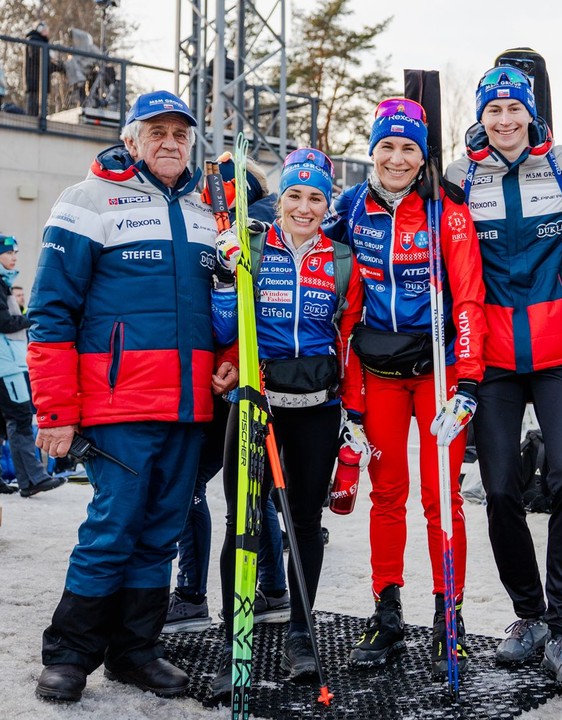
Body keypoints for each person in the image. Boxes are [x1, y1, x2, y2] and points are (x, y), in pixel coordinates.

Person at [28, 90, 234, 703]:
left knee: (162, 532)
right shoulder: (87, 200)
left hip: (189, 405)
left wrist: (225, 364)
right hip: (118, 405)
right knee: (112, 528)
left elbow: (226, 309)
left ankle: (135, 651)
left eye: (180, 133)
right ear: (132, 137)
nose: (170, 143)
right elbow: (51, 313)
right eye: (157, 132)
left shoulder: (209, 211)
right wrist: (56, 411)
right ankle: (69, 655)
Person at [445, 66, 562, 687]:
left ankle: (561, 630)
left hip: (561, 353)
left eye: (514, 108)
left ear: (531, 112)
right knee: (501, 487)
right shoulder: (459, 176)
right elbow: (386, 205)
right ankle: (528, 616)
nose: (504, 120)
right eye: (494, 110)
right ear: (481, 117)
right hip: (495, 360)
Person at [324, 97, 486, 677]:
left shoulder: (447, 209)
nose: (396, 158)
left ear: (423, 156)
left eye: (408, 148)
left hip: (438, 372)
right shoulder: (350, 207)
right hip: (379, 374)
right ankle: (386, 613)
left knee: (441, 498)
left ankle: (451, 615)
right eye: (386, 146)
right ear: (372, 151)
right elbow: (318, 260)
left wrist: (468, 379)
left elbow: (468, 295)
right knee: (386, 493)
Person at [208, 146, 365, 699]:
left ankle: (301, 633)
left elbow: (348, 337)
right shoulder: (251, 245)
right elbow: (224, 322)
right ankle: (236, 636)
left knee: (303, 522)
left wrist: (355, 414)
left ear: (327, 203)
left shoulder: (342, 260)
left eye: (316, 197)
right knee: (242, 521)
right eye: (295, 195)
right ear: (280, 201)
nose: (304, 207)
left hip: (316, 410)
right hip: (256, 404)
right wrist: (228, 278)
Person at [163, 157, 290, 635]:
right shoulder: (226, 230)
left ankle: (194, 594)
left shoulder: (251, 233)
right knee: (248, 492)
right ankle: (270, 590)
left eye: (215, 186)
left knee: (202, 486)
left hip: (234, 381)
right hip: (217, 374)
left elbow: (248, 308)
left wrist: (234, 360)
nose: (204, 192)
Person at [0, 234, 63, 498]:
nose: (14, 257)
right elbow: (5, 323)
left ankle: (27, 480)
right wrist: (32, 316)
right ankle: (33, 478)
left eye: (15, 252)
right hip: (7, 366)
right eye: (9, 252)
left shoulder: (4, 286)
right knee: (21, 418)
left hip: (9, 364)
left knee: (8, 423)